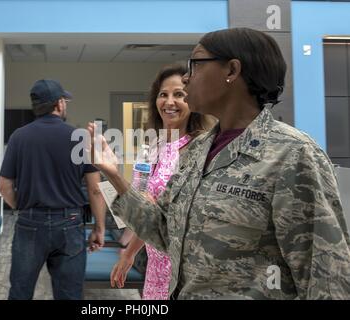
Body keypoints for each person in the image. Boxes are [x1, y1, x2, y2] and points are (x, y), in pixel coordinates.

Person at [88, 28, 350, 299]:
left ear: (232, 70)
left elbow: (327, 277)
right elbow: (165, 231)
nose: (188, 77)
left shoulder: (292, 154)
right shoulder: (197, 151)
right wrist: (114, 175)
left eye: (196, 64)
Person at [109, 64, 216, 299]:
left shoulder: (201, 149)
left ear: (193, 100)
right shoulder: (152, 148)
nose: (169, 102)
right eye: (163, 94)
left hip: (186, 272)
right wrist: (129, 254)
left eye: (179, 94)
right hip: (155, 269)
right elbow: (148, 218)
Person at [0, 79, 106, 300]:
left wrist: (24, 207)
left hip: (30, 223)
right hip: (71, 223)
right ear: (59, 103)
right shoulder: (80, 138)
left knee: (20, 291)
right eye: (65, 100)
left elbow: (4, 186)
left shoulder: (18, 137)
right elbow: (95, 189)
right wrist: (99, 227)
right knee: (69, 294)